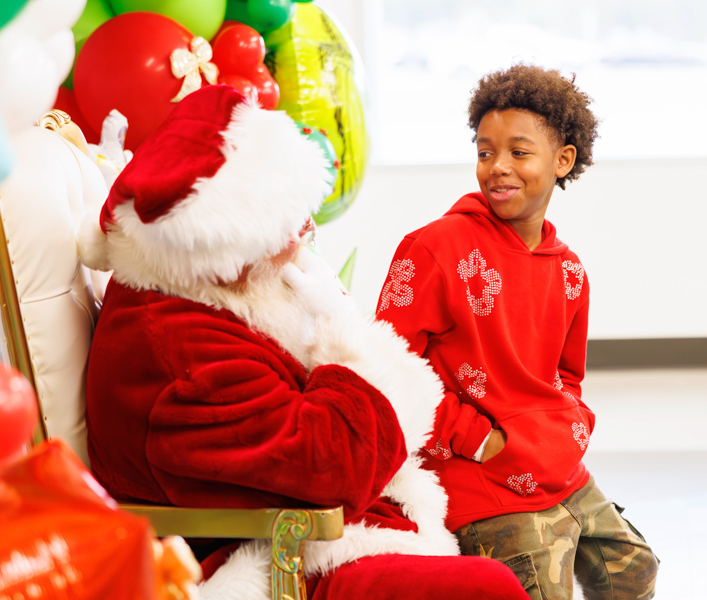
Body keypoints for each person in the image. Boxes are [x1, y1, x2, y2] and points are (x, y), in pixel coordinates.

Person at [78, 84, 529, 600]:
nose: (307, 230)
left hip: (305, 524)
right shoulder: (179, 349)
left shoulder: (203, 295)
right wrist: (347, 339)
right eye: (290, 224)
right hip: (270, 555)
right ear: (228, 248)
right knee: (488, 586)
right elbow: (334, 466)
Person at [375, 64, 658, 600]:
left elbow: (567, 378)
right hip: (475, 475)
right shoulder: (434, 249)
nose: (497, 167)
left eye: (519, 153)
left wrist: (568, 429)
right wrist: (480, 440)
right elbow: (386, 369)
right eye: (485, 152)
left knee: (634, 571)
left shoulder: (570, 271)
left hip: (556, 467)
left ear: (562, 161)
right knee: (540, 589)